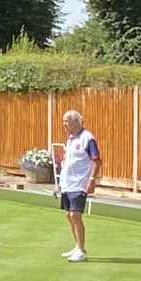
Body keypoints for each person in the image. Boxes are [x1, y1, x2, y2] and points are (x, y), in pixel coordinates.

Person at [57, 110, 100, 263]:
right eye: (63, 121)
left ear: (76, 121)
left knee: (75, 215)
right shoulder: (70, 139)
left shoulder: (87, 138)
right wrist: (61, 183)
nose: (64, 124)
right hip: (67, 183)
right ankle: (76, 246)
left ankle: (81, 251)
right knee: (69, 215)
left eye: (66, 121)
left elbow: (96, 160)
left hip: (79, 183)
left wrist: (92, 180)